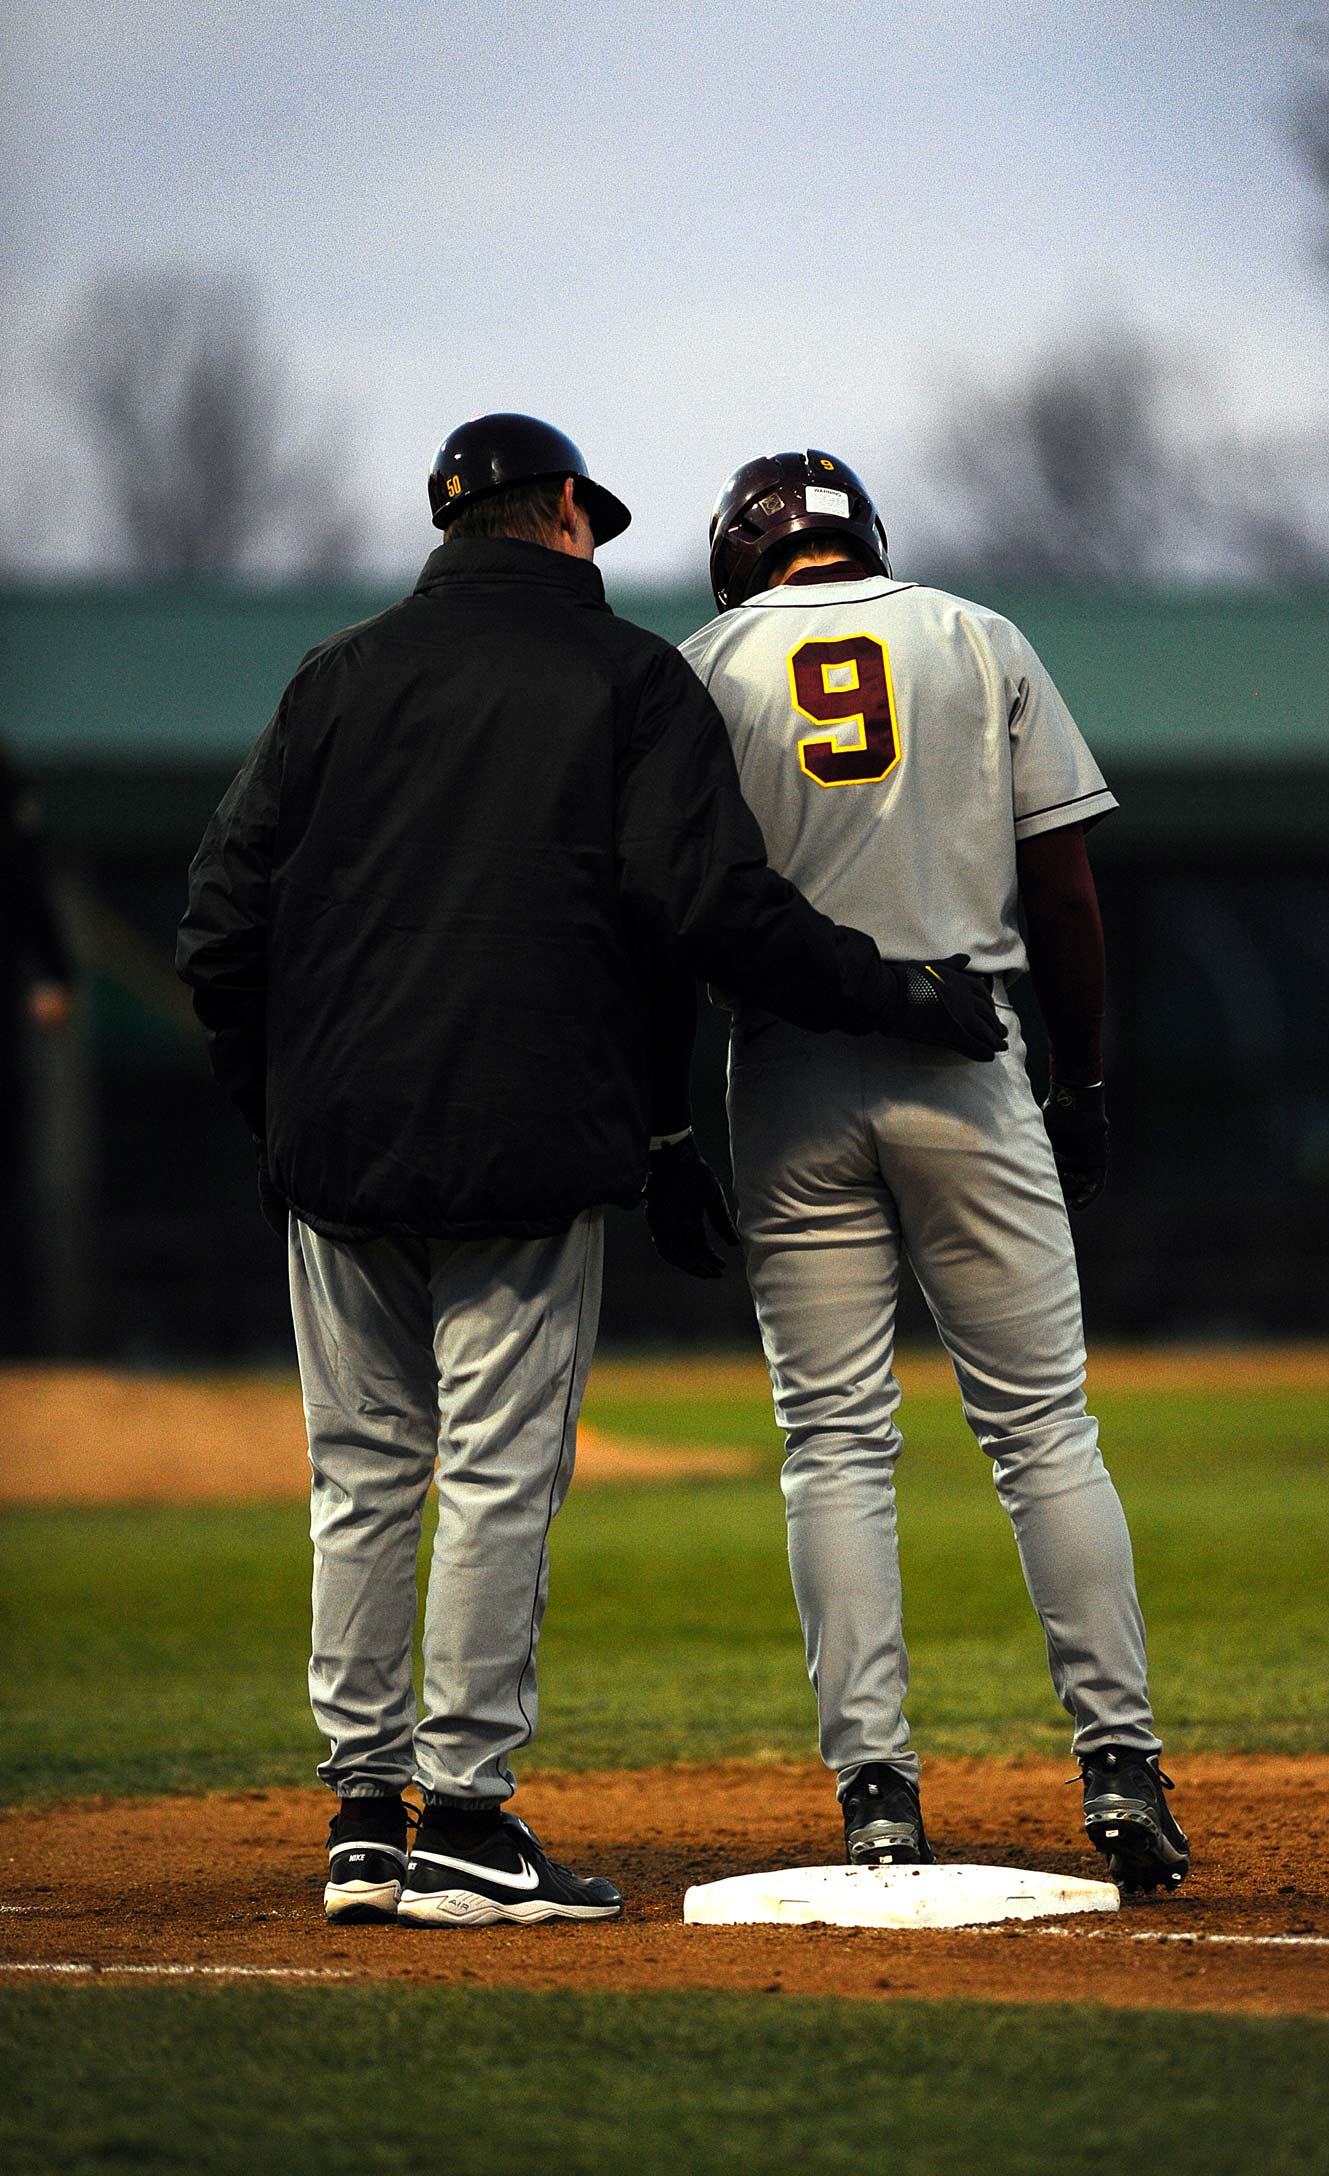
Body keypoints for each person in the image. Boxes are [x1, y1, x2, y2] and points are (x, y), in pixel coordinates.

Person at [176, 414, 1006, 1930]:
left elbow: (220, 927)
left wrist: (278, 1115)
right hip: (527, 1128)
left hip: (337, 1141)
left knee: (360, 1476)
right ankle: (471, 1824)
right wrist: (903, 997)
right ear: (563, 511)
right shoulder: (626, 678)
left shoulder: (335, 679)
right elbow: (710, 913)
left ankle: (363, 1817)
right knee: (496, 1473)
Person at [677, 449, 1190, 1892]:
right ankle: (1119, 1770)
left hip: (785, 1070)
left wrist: (662, 1129)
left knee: (835, 1442)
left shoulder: (701, 666)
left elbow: (670, 912)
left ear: (738, 554)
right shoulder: (979, 635)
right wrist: (1080, 1079)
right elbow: (1068, 888)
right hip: (970, 1052)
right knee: (1045, 1433)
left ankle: (878, 1794)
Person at [0, 743, 74, 1352]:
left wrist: (50, 982)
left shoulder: (15, 843)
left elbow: (49, 946)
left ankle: (23, 1335)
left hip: (5, 1048)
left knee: (13, 1193)